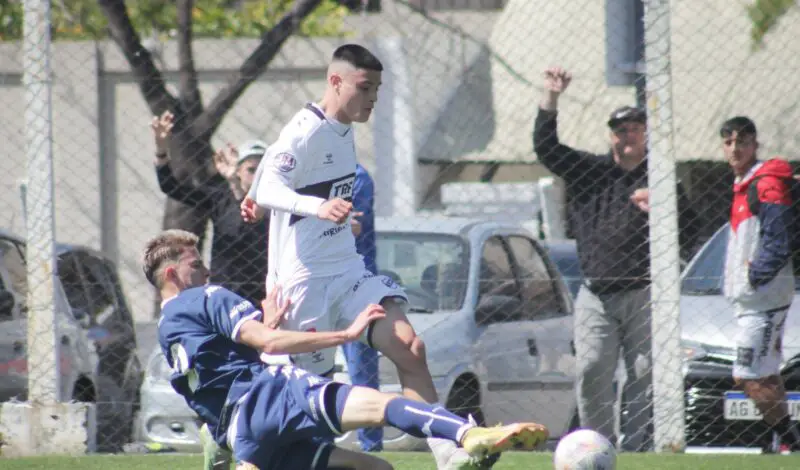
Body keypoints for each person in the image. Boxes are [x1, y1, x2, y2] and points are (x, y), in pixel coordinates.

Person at [239, 44, 502, 468]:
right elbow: (275, 179)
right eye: (365, 87)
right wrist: (308, 205)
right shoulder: (305, 129)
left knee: (409, 346)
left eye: (377, 88)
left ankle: (448, 454)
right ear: (336, 81)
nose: (373, 98)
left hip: (347, 272)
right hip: (303, 282)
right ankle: (234, 442)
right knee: (309, 404)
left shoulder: (341, 127)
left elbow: (272, 164)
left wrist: (252, 197)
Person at [143, 229, 549, 470]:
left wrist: (265, 323)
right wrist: (346, 334)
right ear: (174, 273)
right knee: (380, 406)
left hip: (241, 435)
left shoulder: (166, 329)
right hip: (272, 397)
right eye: (196, 265)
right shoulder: (206, 296)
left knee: (375, 468)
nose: (206, 270)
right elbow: (267, 344)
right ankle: (468, 433)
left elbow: (227, 363)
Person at [532, 66, 702, 451]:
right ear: (611, 136)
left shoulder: (660, 179)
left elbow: (690, 231)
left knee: (643, 374)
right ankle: (597, 445)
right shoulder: (589, 171)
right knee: (592, 369)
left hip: (644, 292)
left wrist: (662, 209)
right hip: (596, 292)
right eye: (620, 130)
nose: (627, 136)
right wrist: (551, 96)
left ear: (645, 136)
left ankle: (636, 448)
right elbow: (546, 148)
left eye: (635, 130)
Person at [718, 116, 800, 453]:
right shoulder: (744, 182)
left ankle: (794, 443)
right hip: (753, 300)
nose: (736, 148)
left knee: (748, 377)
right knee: (767, 375)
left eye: (743, 141)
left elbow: (779, 235)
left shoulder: (764, 182)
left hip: (762, 299)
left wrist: (756, 276)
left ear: (756, 145)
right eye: (729, 142)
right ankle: (786, 444)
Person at [151, 111, 269, 307]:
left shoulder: (275, 202)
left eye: (262, 170)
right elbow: (171, 187)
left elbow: (252, 221)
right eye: (251, 169)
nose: (256, 175)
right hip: (225, 293)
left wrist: (236, 185)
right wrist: (161, 149)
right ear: (237, 170)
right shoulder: (219, 197)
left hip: (265, 294)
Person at [343, 163, 384, 452]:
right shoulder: (305, 171)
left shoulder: (355, 175)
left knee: (361, 369)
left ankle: (371, 446)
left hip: (354, 285)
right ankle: (313, 443)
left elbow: (353, 227)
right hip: (316, 281)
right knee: (309, 364)